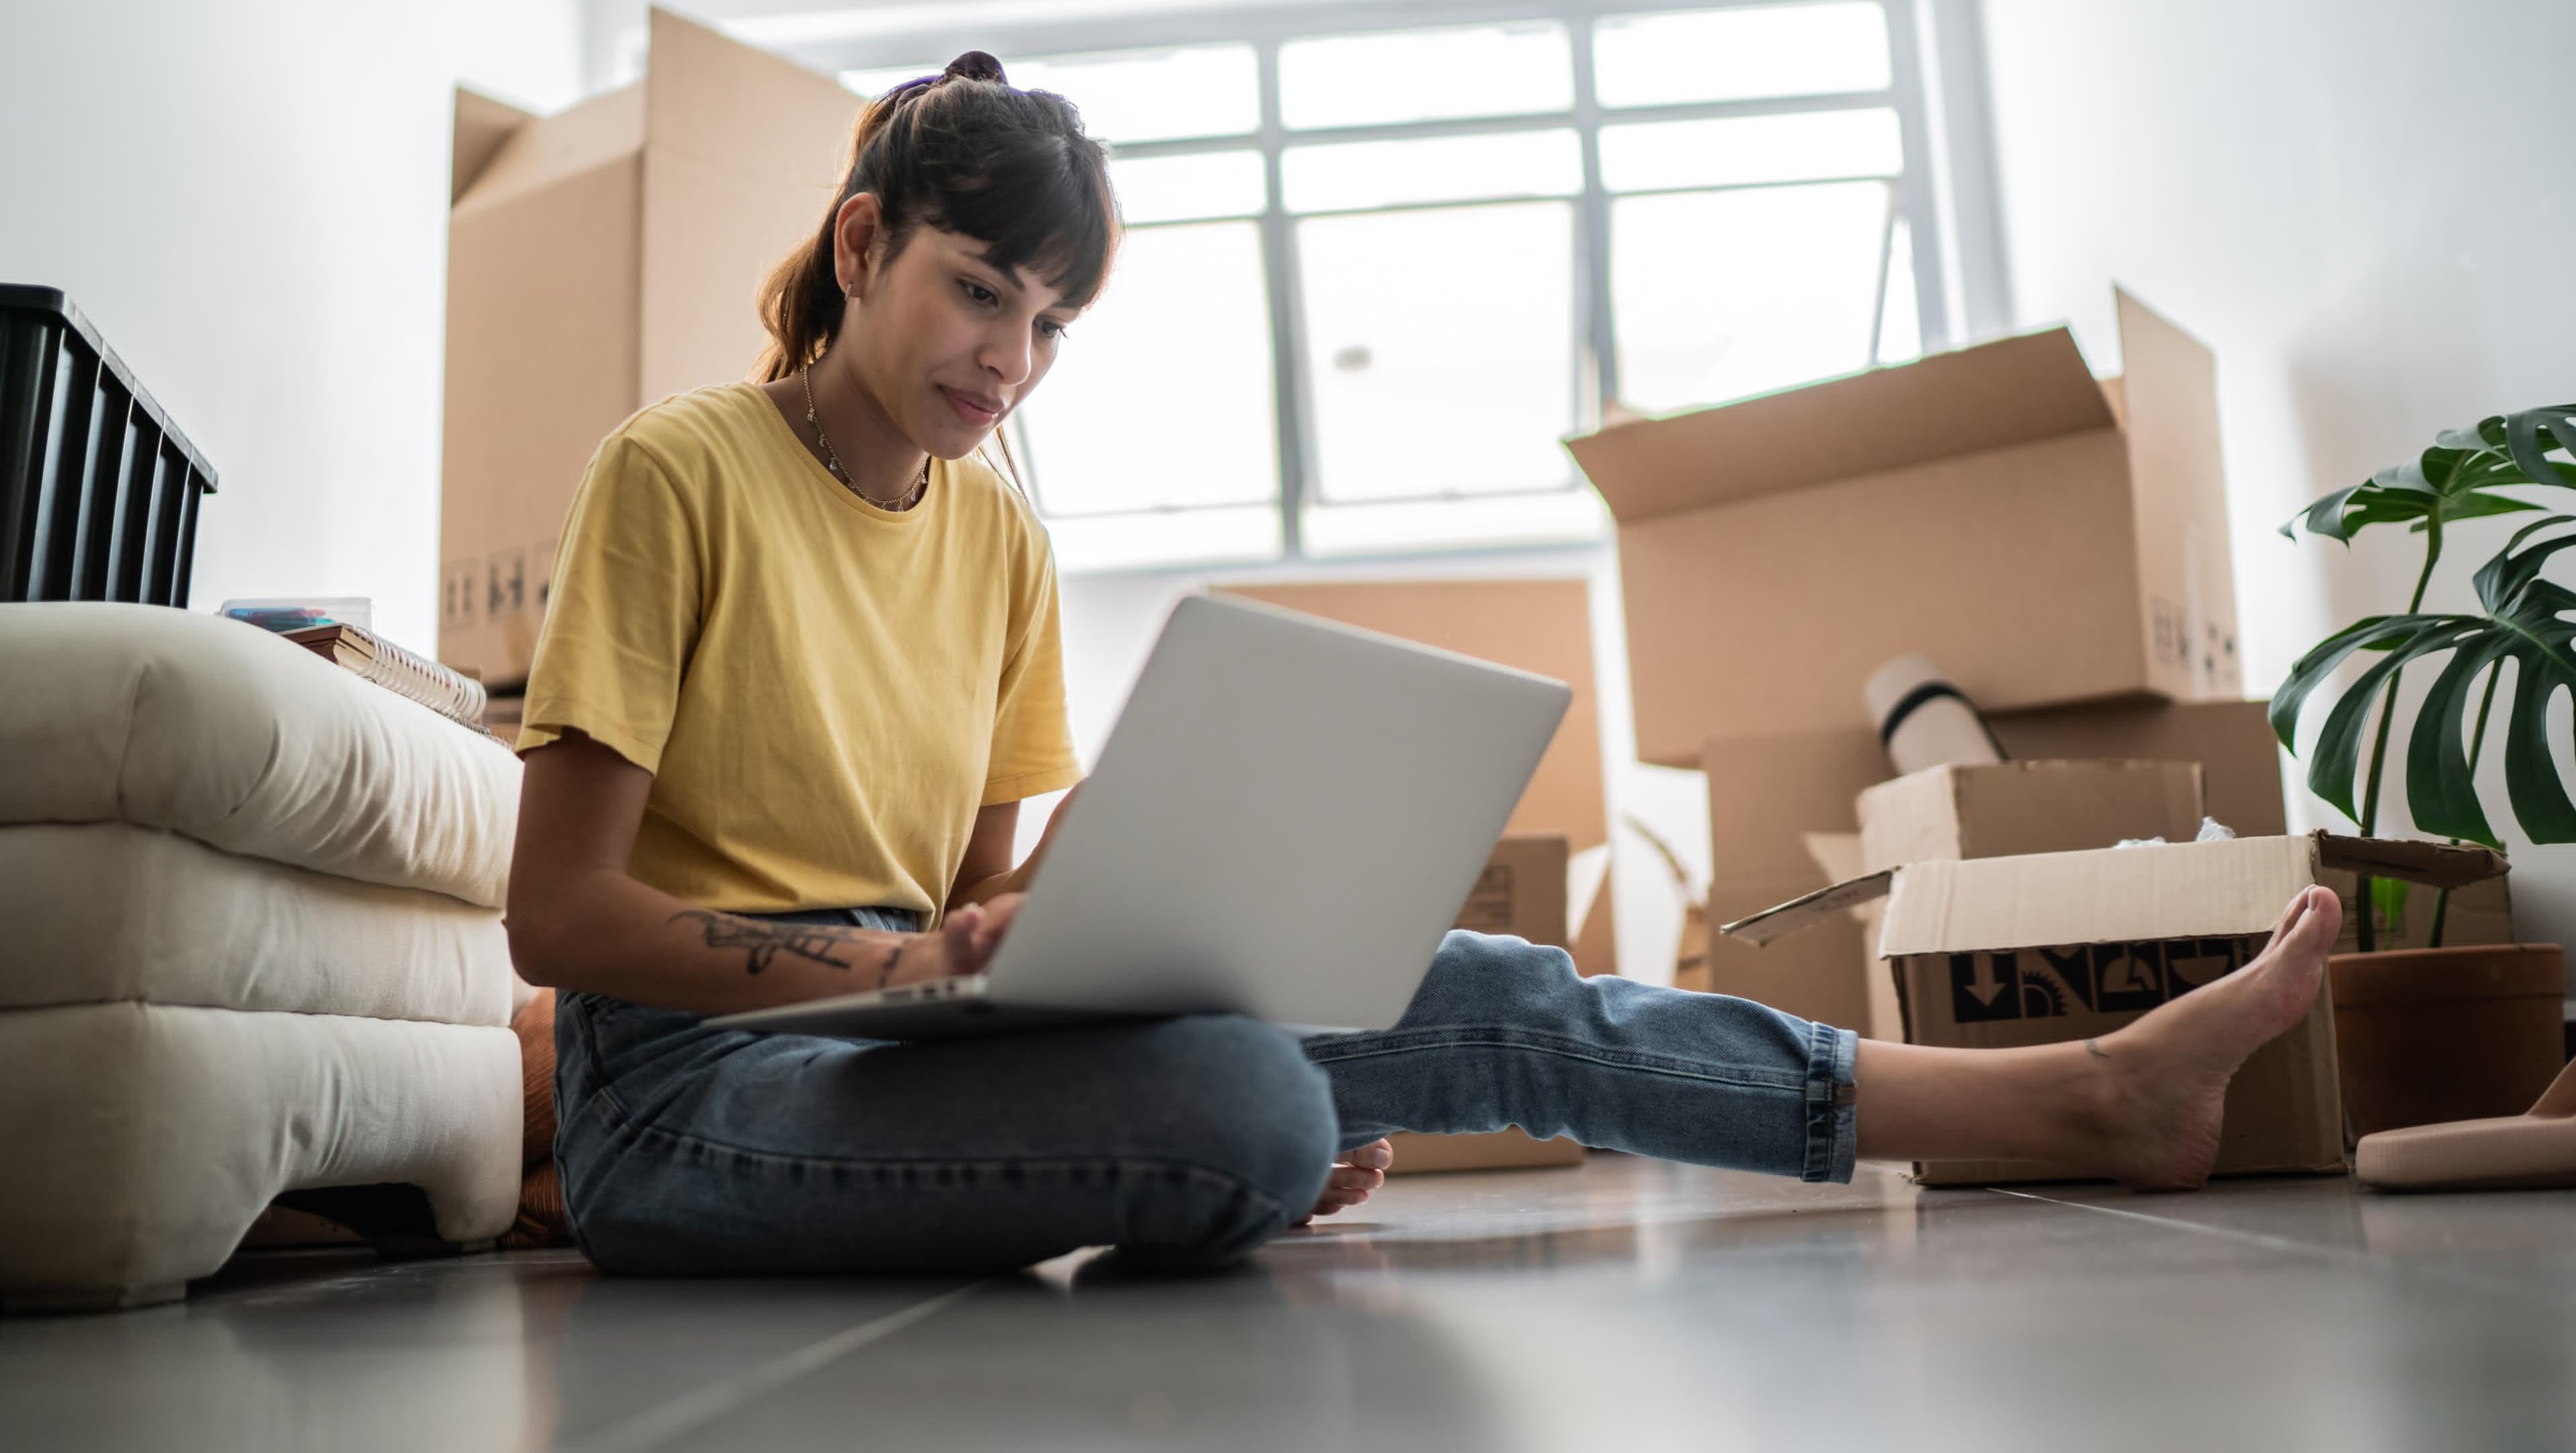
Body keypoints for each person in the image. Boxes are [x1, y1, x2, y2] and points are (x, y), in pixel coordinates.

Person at [503, 53, 2347, 1276]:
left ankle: (2089, 1095)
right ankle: (1226, 1143)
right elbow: (558, 919)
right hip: (681, 1094)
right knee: (1247, 1106)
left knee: (1494, 990)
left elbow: (979, 907)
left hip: (898, 1043)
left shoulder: (1002, 544)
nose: (1012, 360)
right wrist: (913, 958)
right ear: (861, 245)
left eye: (1053, 324)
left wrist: (1068, 926)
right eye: (981, 291)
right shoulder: (678, 474)